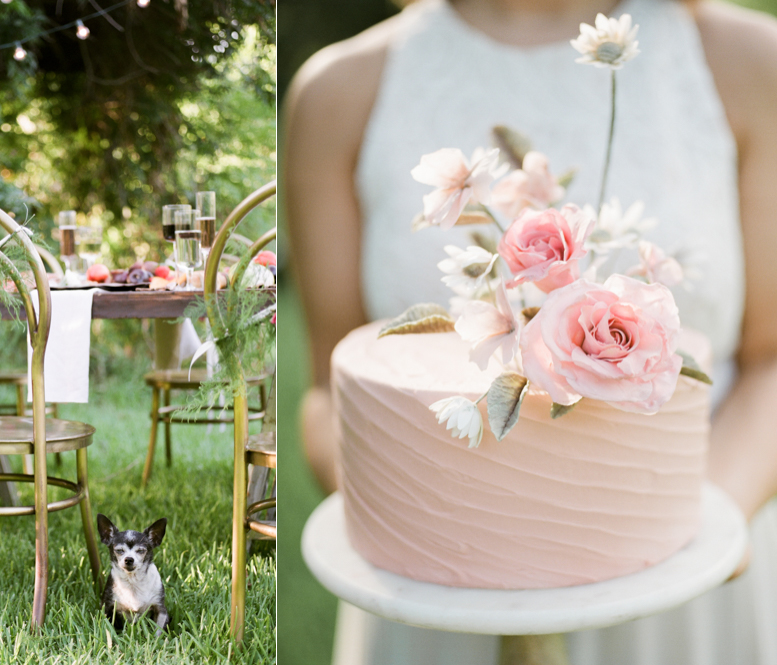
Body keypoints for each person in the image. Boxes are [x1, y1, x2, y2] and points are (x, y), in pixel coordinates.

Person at [284, 0, 777, 662]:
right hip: (437, 586)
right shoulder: (339, 90)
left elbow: (770, 359)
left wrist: (698, 520)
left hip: (685, 579)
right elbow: (328, 391)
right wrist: (433, 528)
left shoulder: (748, 62)